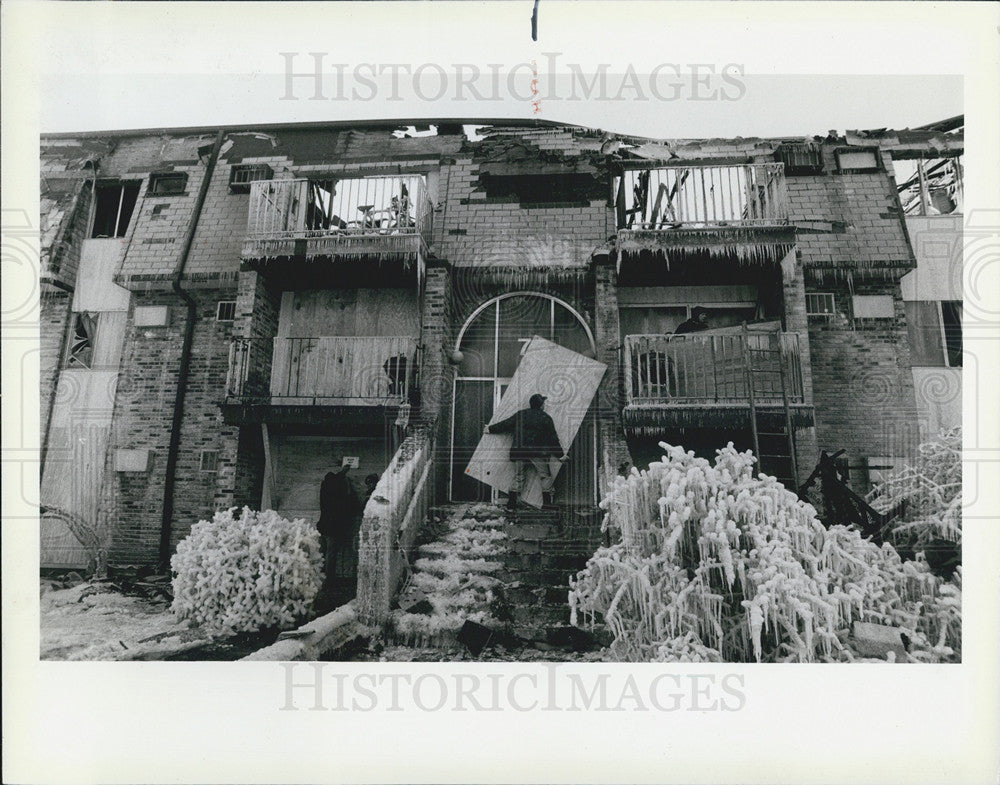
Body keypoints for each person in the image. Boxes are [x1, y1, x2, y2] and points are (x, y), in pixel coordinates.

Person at [484, 393, 568, 511]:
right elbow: (552, 438)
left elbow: (505, 424)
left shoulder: (520, 415)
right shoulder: (545, 418)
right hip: (538, 453)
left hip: (519, 452)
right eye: (543, 403)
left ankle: (511, 504)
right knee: (545, 477)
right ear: (541, 405)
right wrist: (560, 455)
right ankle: (547, 504)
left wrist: (489, 429)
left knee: (519, 477)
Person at [316, 463, 361, 585]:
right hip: (332, 529)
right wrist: (343, 473)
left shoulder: (324, 488)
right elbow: (349, 505)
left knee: (322, 553)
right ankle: (328, 579)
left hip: (323, 527)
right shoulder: (336, 495)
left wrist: (342, 473)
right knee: (331, 554)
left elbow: (334, 481)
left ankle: (318, 577)